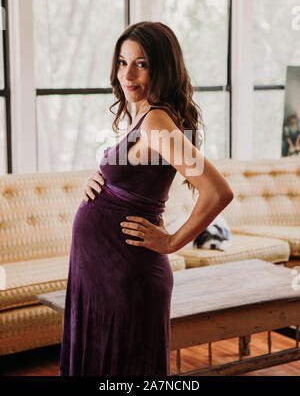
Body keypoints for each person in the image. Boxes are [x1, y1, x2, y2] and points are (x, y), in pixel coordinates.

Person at [59, 21, 234, 376]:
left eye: (142, 63)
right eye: (122, 62)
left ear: (162, 67)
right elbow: (139, 172)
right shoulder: (145, 115)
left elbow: (218, 191)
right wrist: (103, 178)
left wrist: (172, 241)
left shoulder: (156, 121)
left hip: (127, 275)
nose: (128, 74)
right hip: (102, 274)